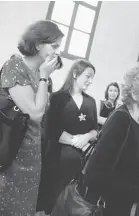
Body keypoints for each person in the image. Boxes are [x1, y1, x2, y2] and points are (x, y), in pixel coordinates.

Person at [52, 60, 139, 215]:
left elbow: (130, 175)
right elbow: (96, 176)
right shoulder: (120, 119)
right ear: (136, 93)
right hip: (101, 208)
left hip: (120, 207)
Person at [0, 20, 63, 215]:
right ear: (37, 45)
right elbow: (35, 114)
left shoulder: (44, 76)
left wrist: (44, 76)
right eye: (54, 46)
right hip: (11, 149)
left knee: (24, 204)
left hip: (33, 150)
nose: (57, 52)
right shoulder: (14, 66)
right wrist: (44, 76)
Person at [36, 59, 98, 215]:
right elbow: (51, 129)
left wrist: (86, 137)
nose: (90, 81)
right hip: (57, 160)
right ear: (76, 74)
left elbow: (95, 130)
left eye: (92, 78)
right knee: (51, 201)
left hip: (80, 164)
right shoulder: (58, 98)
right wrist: (75, 141)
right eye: (88, 76)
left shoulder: (91, 102)